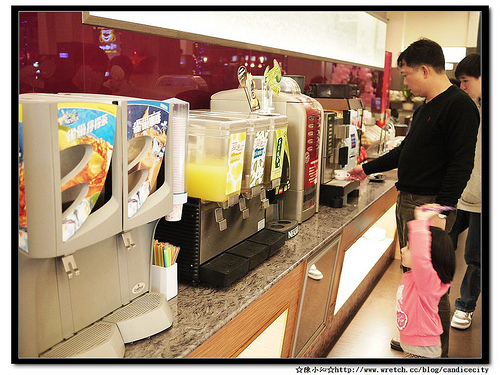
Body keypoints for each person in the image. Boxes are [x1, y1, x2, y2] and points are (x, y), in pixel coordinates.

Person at [348, 38, 480, 357]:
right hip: (410, 199)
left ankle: (437, 353)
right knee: (413, 277)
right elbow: (406, 150)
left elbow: (461, 163)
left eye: (406, 75)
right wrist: (366, 168)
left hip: (427, 204)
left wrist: (439, 208)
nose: (405, 83)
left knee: (431, 282)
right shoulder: (426, 107)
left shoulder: (459, 106)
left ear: (424, 69)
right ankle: (415, 337)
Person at [447, 53, 481, 330]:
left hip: (484, 200)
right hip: (458, 193)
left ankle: (465, 306)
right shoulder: (466, 108)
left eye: (466, 81)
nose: (462, 87)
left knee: (476, 257)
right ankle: (435, 305)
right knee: (443, 248)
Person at [397, 203, 456, 358]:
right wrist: (427, 222)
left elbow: (421, 256)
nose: (403, 250)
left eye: (409, 247)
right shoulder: (421, 277)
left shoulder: (427, 282)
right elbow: (426, 250)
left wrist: (421, 223)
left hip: (421, 351)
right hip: (415, 346)